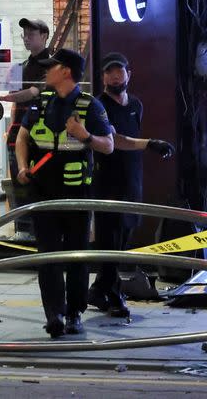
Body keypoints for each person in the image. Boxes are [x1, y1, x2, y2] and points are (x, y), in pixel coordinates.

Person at [15, 48, 113, 338]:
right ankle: (54, 314)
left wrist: (85, 136)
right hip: (42, 192)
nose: (46, 71)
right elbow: (22, 137)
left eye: (51, 67)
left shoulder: (90, 106)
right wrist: (22, 166)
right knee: (47, 256)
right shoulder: (40, 103)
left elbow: (108, 145)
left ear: (66, 71)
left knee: (76, 256)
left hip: (76, 194)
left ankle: (74, 313)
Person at [87, 52, 175, 318]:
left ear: (128, 74)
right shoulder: (98, 106)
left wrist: (146, 147)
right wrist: (150, 143)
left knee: (122, 240)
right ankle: (114, 295)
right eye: (109, 71)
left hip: (132, 180)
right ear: (102, 77)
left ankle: (98, 290)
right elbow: (118, 139)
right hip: (107, 183)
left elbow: (131, 137)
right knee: (109, 242)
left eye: (120, 71)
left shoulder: (136, 104)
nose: (115, 76)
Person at [0, 18, 51, 240]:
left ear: (44, 36)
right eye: (24, 35)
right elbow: (15, 101)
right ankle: (22, 229)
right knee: (17, 182)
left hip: (42, 136)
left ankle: (40, 231)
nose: (27, 38)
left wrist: (1, 96)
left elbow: (31, 93)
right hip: (17, 134)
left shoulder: (53, 66)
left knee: (39, 183)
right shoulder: (19, 67)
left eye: (31, 34)